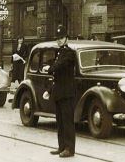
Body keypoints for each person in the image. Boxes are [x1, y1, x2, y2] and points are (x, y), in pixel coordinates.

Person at [48, 25, 76, 158]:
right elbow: (55, 75)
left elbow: (59, 66)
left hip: (67, 92)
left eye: (61, 38)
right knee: (60, 121)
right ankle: (61, 146)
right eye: (58, 38)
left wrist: (50, 67)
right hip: (59, 92)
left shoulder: (69, 53)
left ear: (66, 39)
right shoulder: (59, 52)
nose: (59, 40)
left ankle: (69, 148)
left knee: (67, 122)